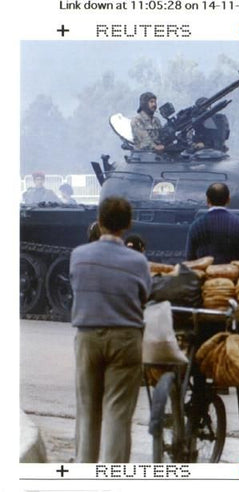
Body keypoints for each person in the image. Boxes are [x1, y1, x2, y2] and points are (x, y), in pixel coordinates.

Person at [70, 196, 151, 462]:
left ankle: (85, 473)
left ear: (99, 221)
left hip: (87, 336)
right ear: (127, 224)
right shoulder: (138, 262)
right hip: (125, 338)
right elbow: (144, 297)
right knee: (118, 413)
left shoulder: (78, 256)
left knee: (88, 411)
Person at [185, 182, 239, 264]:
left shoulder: (196, 226)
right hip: (233, 275)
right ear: (228, 200)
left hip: (206, 275)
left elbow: (190, 260)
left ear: (207, 200)